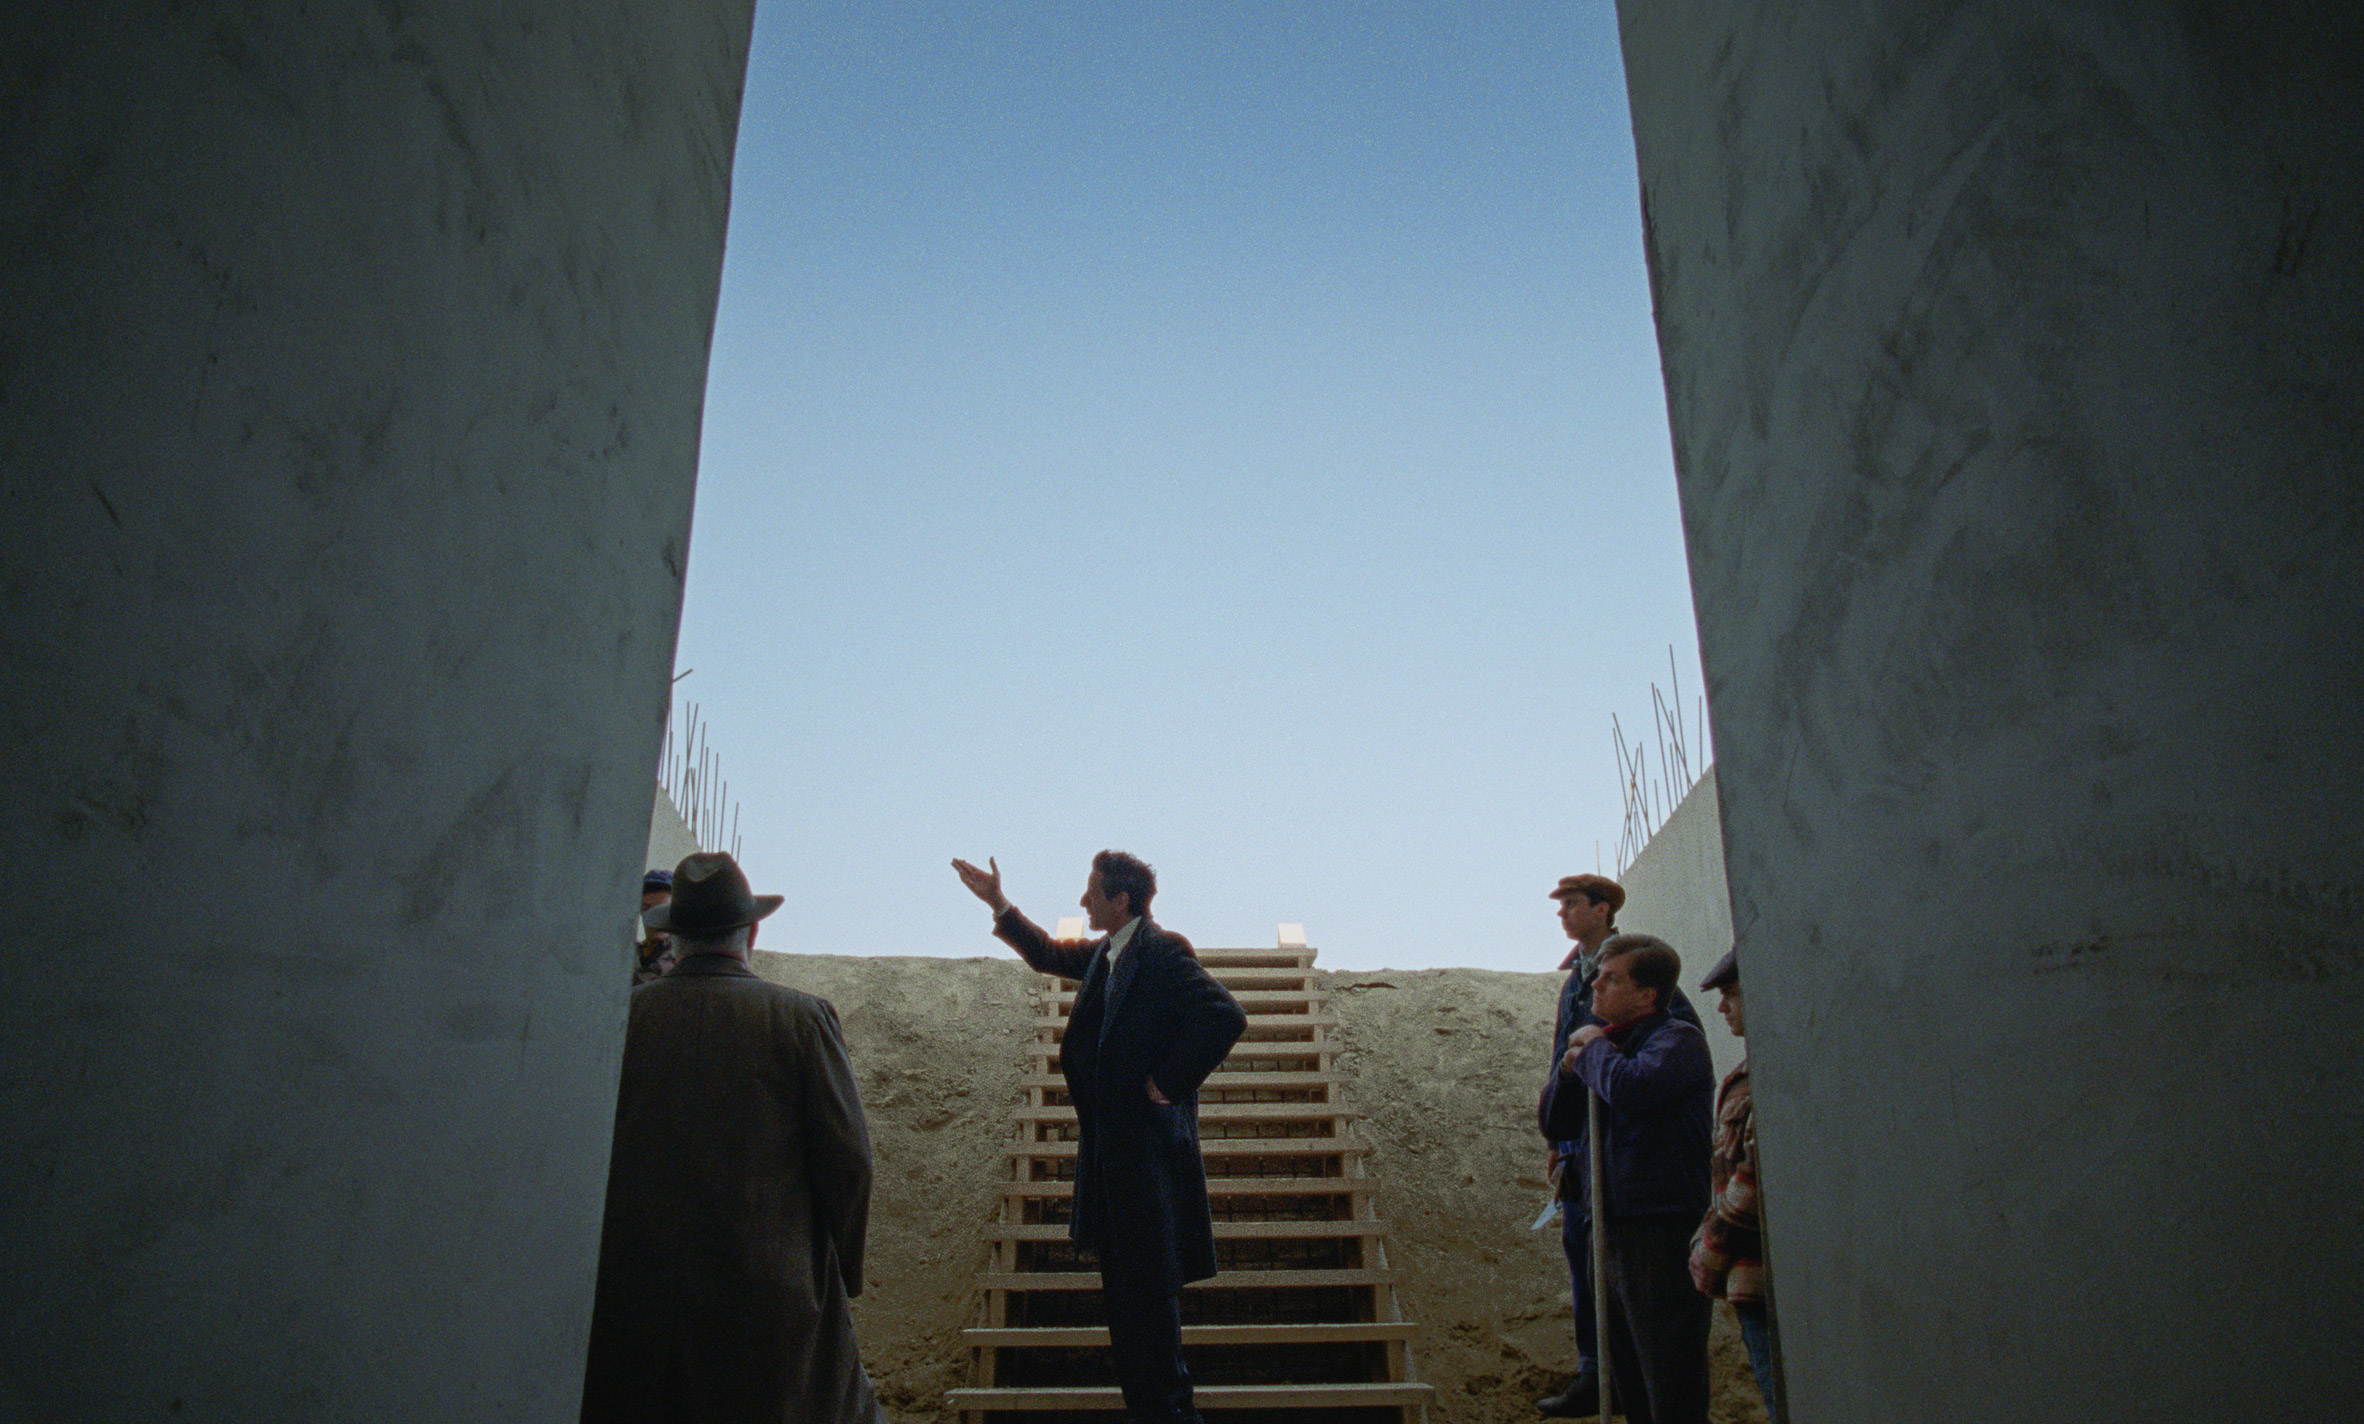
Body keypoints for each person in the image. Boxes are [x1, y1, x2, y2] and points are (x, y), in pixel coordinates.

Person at [582, 852, 885, 1424]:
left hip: (635, 1300)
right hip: (769, 1297)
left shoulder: (621, 1019)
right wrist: (842, 1267)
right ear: (751, 929)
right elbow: (850, 1160)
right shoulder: (801, 1017)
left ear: (674, 934)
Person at [954, 851, 1246, 1424]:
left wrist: (1168, 1080)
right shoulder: (1107, 957)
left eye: (1092, 893)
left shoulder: (1161, 952)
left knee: (1152, 1330)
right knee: (1129, 1326)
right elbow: (1044, 954)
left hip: (1147, 1171)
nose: (1083, 901)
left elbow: (1225, 1016)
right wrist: (996, 901)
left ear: (1121, 901)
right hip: (1112, 1172)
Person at [1538, 876, 1702, 1418]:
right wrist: (1569, 1068)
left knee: (1665, 1366)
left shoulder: (1675, 1038)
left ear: (1647, 993)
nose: (1595, 991)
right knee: (1624, 1364)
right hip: (1606, 1214)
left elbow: (1632, 1089)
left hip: (1655, 1220)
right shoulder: (1602, 1035)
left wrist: (1589, 1052)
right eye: (1596, 980)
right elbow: (1554, 1116)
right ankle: (1593, 1376)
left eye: (1609, 982)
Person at [1690, 947, 1781, 1422]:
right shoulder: (1749, 1073)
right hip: (1758, 1278)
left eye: (1731, 994)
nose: (1722, 1007)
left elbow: (1747, 1191)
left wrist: (1707, 1253)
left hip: (1763, 1275)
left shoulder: (1772, 1078)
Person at [631, 868, 675, 985]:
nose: (652, 916)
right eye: (646, 908)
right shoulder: (630, 955)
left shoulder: (684, 958)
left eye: (660, 909)